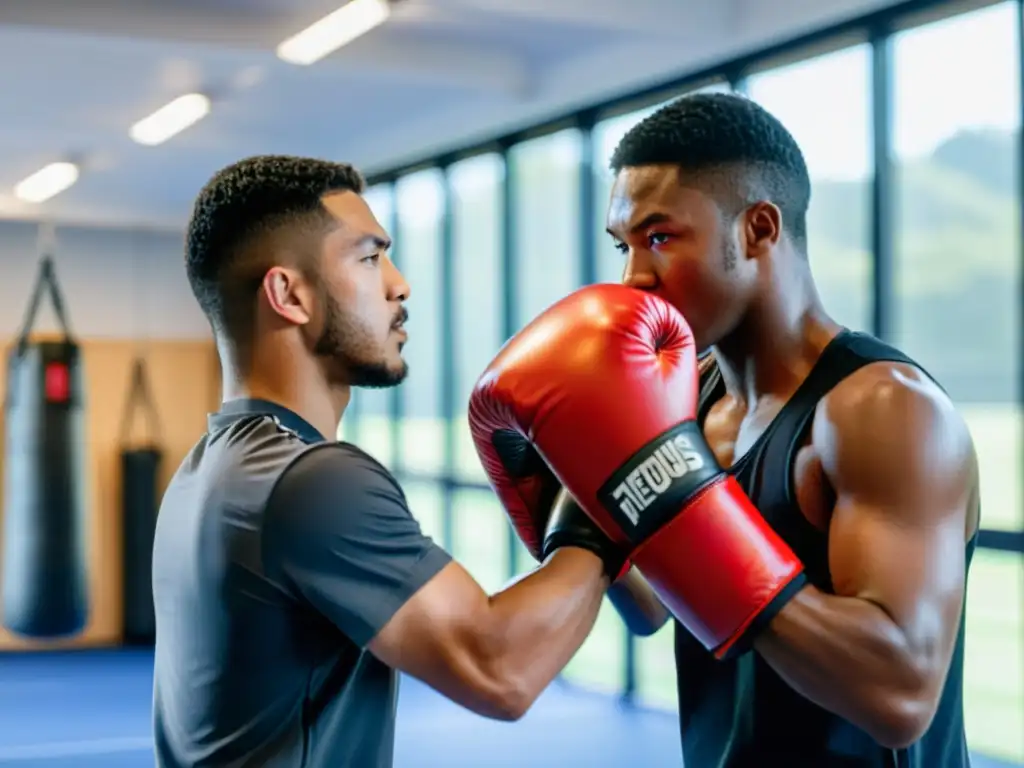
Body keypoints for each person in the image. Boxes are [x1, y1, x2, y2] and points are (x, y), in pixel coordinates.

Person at [151, 155, 622, 768]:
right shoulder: (313, 480)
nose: (400, 284)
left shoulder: (204, 471)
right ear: (288, 294)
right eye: (370, 258)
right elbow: (501, 668)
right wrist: (620, 487)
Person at [594, 92, 979, 766]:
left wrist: (688, 519)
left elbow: (900, 695)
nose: (633, 279)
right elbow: (654, 607)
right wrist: (556, 498)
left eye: (658, 237)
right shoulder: (686, 400)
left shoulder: (882, 410)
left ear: (759, 230)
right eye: (623, 245)